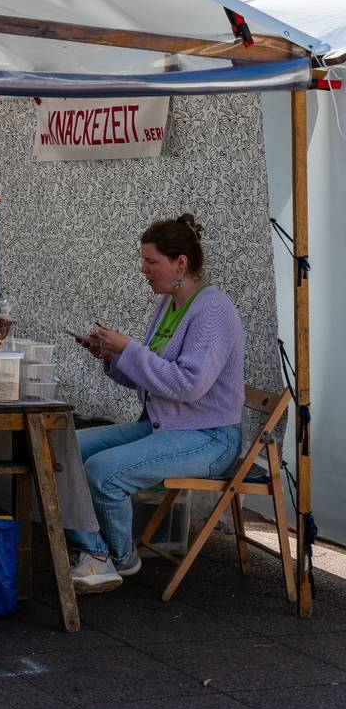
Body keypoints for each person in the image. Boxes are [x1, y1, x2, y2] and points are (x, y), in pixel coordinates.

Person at [67, 214, 244, 594]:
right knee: (61, 450)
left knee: (101, 471)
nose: (143, 269)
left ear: (180, 263)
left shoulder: (213, 309)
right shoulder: (169, 305)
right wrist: (111, 355)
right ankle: (94, 553)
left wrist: (129, 349)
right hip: (166, 425)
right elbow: (152, 377)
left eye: (151, 262)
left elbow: (189, 385)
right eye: (143, 260)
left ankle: (115, 558)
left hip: (209, 438)